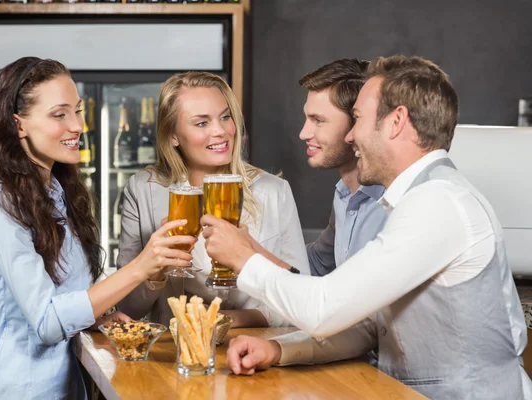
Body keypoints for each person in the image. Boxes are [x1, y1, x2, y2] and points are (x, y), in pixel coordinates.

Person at [201, 55, 532, 399]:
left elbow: (323, 308)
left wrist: (242, 257)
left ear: (396, 122)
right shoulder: (417, 198)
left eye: (357, 118)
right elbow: (371, 327)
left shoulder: (438, 203)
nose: (351, 136)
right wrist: (281, 351)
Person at [0, 57, 196, 399]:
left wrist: (95, 319)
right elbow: (45, 321)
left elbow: (65, 299)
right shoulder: (1, 204)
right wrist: (140, 267)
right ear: (19, 125)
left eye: (78, 110)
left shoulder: (56, 194)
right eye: (59, 114)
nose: (77, 126)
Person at [116, 71, 310, 329]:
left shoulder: (274, 191)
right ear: (172, 135)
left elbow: (301, 298)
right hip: (175, 355)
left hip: (258, 352)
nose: (220, 131)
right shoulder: (143, 190)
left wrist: (229, 320)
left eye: (225, 117)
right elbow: (127, 306)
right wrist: (156, 270)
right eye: (201, 123)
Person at [297, 59, 387, 277]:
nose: (303, 133)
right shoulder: (344, 194)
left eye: (318, 120)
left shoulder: (393, 202)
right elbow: (318, 263)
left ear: (357, 123)